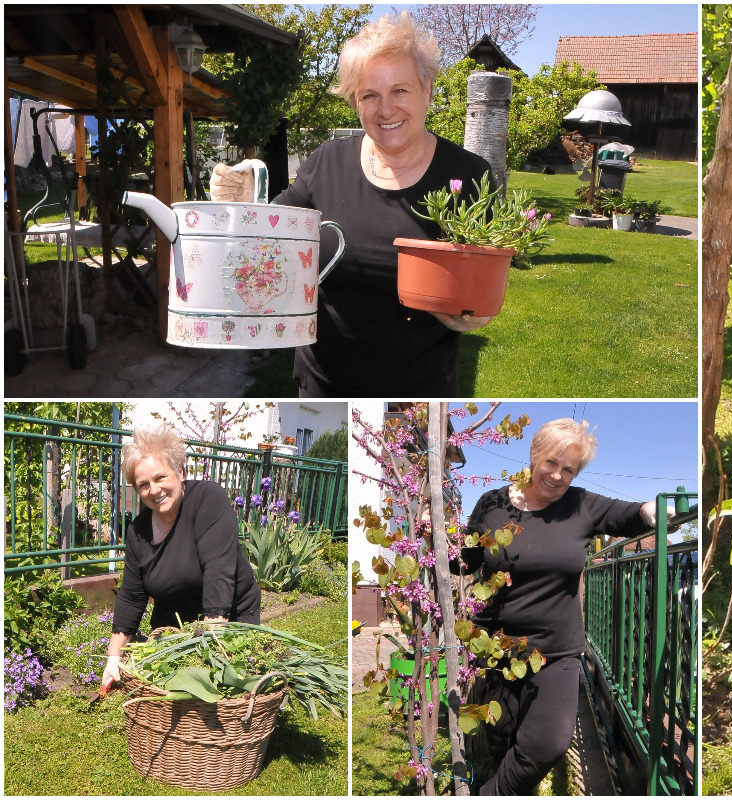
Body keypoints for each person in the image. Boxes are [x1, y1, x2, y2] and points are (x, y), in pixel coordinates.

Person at [210, 12, 493, 396]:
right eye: (369, 95)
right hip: (322, 384)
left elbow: (484, 281)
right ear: (355, 101)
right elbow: (269, 235)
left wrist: (472, 312)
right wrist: (246, 201)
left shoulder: (467, 175)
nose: (385, 109)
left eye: (400, 91)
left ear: (428, 89)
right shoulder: (326, 163)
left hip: (417, 392)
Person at [455, 419, 664, 795]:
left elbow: (632, 514)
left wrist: (655, 509)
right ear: (535, 456)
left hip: (557, 650)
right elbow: (468, 559)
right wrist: (429, 543)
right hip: (496, 646)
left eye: (569, 469)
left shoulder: (581, 505)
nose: (557, 475)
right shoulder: (493, 503)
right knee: (502, 738)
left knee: (547, 743)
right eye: (552, 462)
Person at [100, 422, 261, 692]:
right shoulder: (138, 531)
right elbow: (131, 595)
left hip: (228, 617)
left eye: (160, 477)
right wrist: (114, 659)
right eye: (143, 484)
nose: (154, 489)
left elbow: (218, 571)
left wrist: (208, 649)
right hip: (173, 622)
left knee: (224, 689)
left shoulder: (208, 499)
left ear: (180, 471)